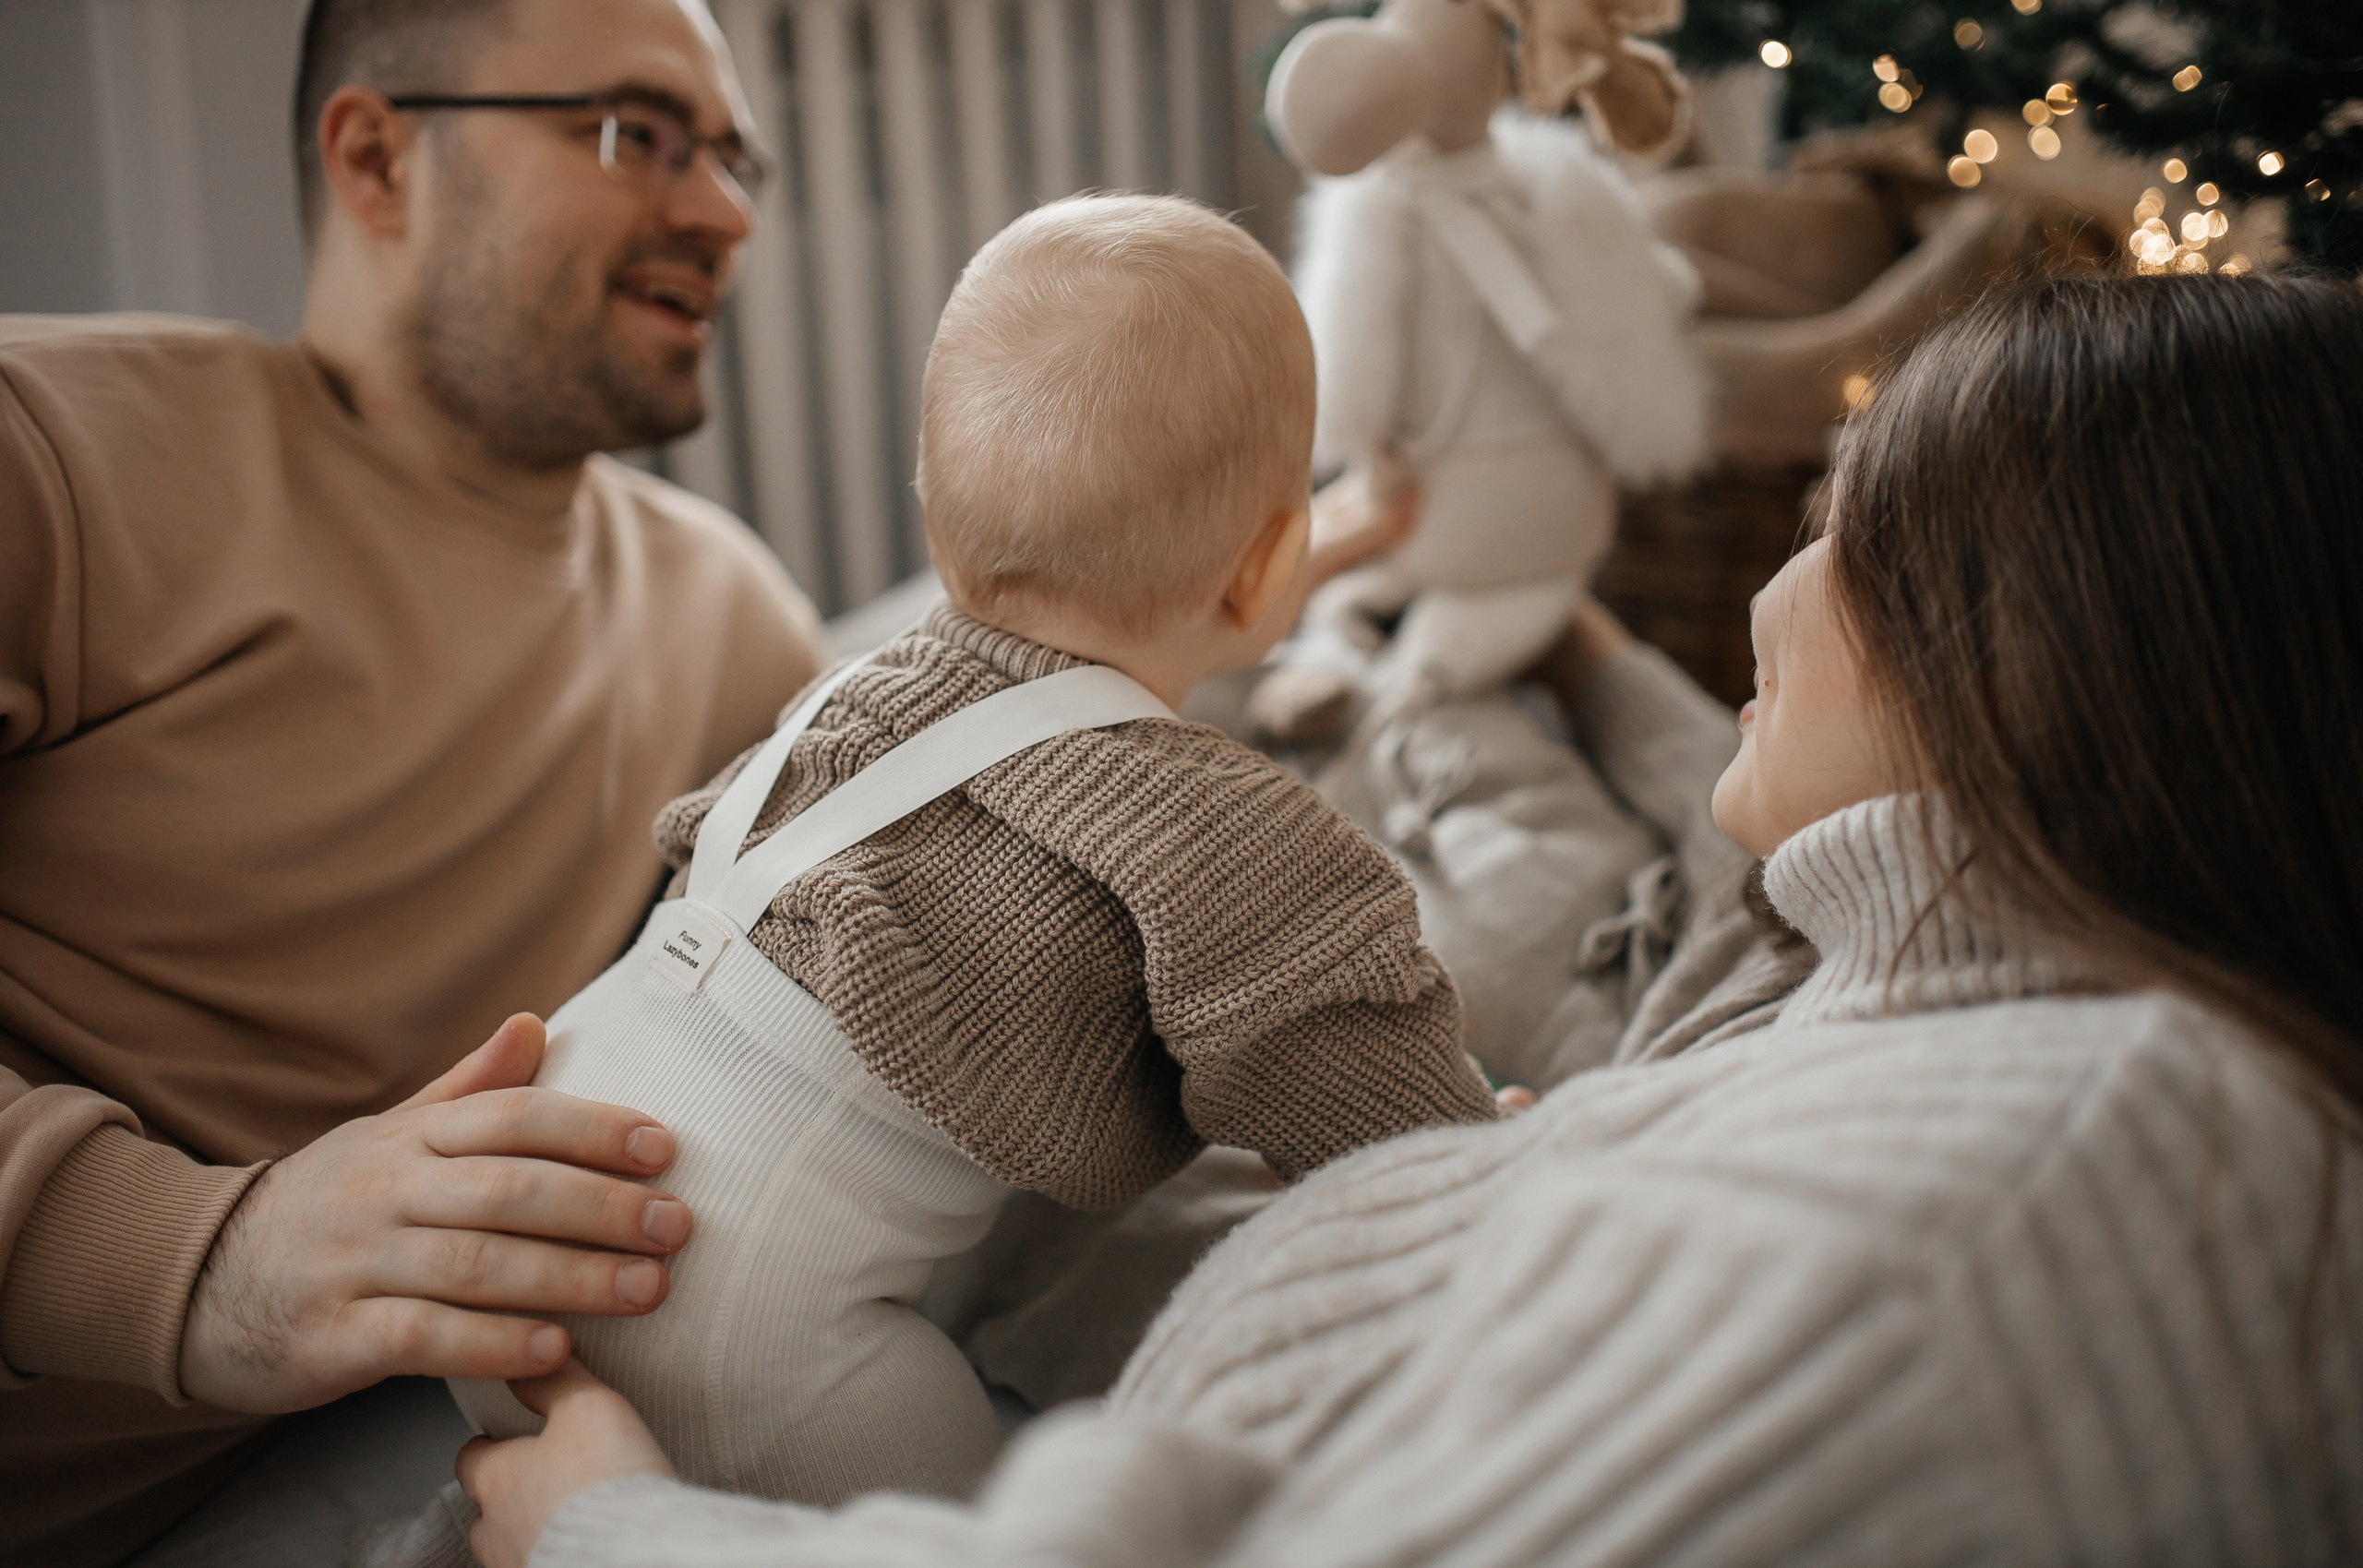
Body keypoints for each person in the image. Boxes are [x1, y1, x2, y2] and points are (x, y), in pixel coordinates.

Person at [456, 271, 2363, 1567]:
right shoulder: (1957, 946)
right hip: (1043, 1283)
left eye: (1840, 534)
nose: (1768, 601)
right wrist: (1585, 643)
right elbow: (1759, 824)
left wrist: (609, 1530)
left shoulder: (2011, 1208)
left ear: (2055, 658)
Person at [410, 193, 1495, 1526]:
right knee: (1004, 1530)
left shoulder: (853, 698)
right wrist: (1466, 1144)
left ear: (933, 507)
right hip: (733, 1327)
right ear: (1274, 564)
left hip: (513, 1237)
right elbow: (1340, 1049)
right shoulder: (1220, 836)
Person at [0, 0, 831, 1562]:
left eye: (735, 156)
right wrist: (212, 1256)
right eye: (636, 133)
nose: (722, 209)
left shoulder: (730, 619)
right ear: (379, 158)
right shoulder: (54, 459)